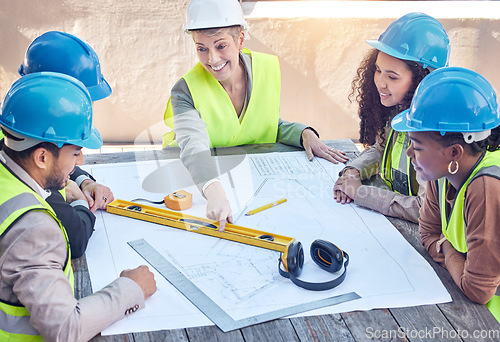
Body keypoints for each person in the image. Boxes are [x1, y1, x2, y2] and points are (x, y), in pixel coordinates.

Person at [162, 0, 349, 231]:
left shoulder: (265, 70)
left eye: (221, 46)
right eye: (202, 48)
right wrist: (214, 191)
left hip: (246, 175)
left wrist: (304, 134)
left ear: (240, 40)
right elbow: (193, 145)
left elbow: (261, 123)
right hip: (190, 176)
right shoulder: (185, 89)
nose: (212, 59)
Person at [0, 72, 157, 340]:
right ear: (41, 157)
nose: (80, 160)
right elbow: (65, 329)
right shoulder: (34, 228)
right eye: (75, 152)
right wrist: (131, 288)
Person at [391, 66, 500, 322]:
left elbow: (478, 290)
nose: (409, 154)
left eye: (416, 146)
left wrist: (447, 247)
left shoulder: (485, 189)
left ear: (454, 153)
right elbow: (428, 232)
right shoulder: (442, 173)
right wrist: (457, 259)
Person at [333, 13, 450, 223]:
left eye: (392, 76)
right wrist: (353, 171)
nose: (380, 83)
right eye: (378, 71)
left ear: (421, 80)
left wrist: (360, 193)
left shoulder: (439, 131)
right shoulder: (400, 107)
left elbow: (425, 209)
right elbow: (381, 148)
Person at [16, 31, 115, 258]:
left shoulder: (21, 124)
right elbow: (76, 239)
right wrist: (79, 199)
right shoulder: (31, 172)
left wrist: (83, 180)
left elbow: (56, 155)